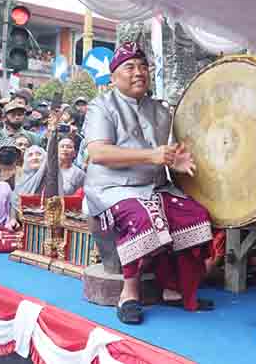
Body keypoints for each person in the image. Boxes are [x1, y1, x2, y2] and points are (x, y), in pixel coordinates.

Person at [84, 42, 214, 325]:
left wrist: (174, 161)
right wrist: (152, 155)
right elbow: (99, 153)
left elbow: (166, 154)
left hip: (154, 187)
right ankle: (129, 294)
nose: (138, 72)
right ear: (114, 75)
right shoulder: (101, 106)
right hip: (111, 190)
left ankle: (174, 290)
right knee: (142, 217)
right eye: (129, 67)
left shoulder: (161, 110)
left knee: (195, 216)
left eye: (143, 67)